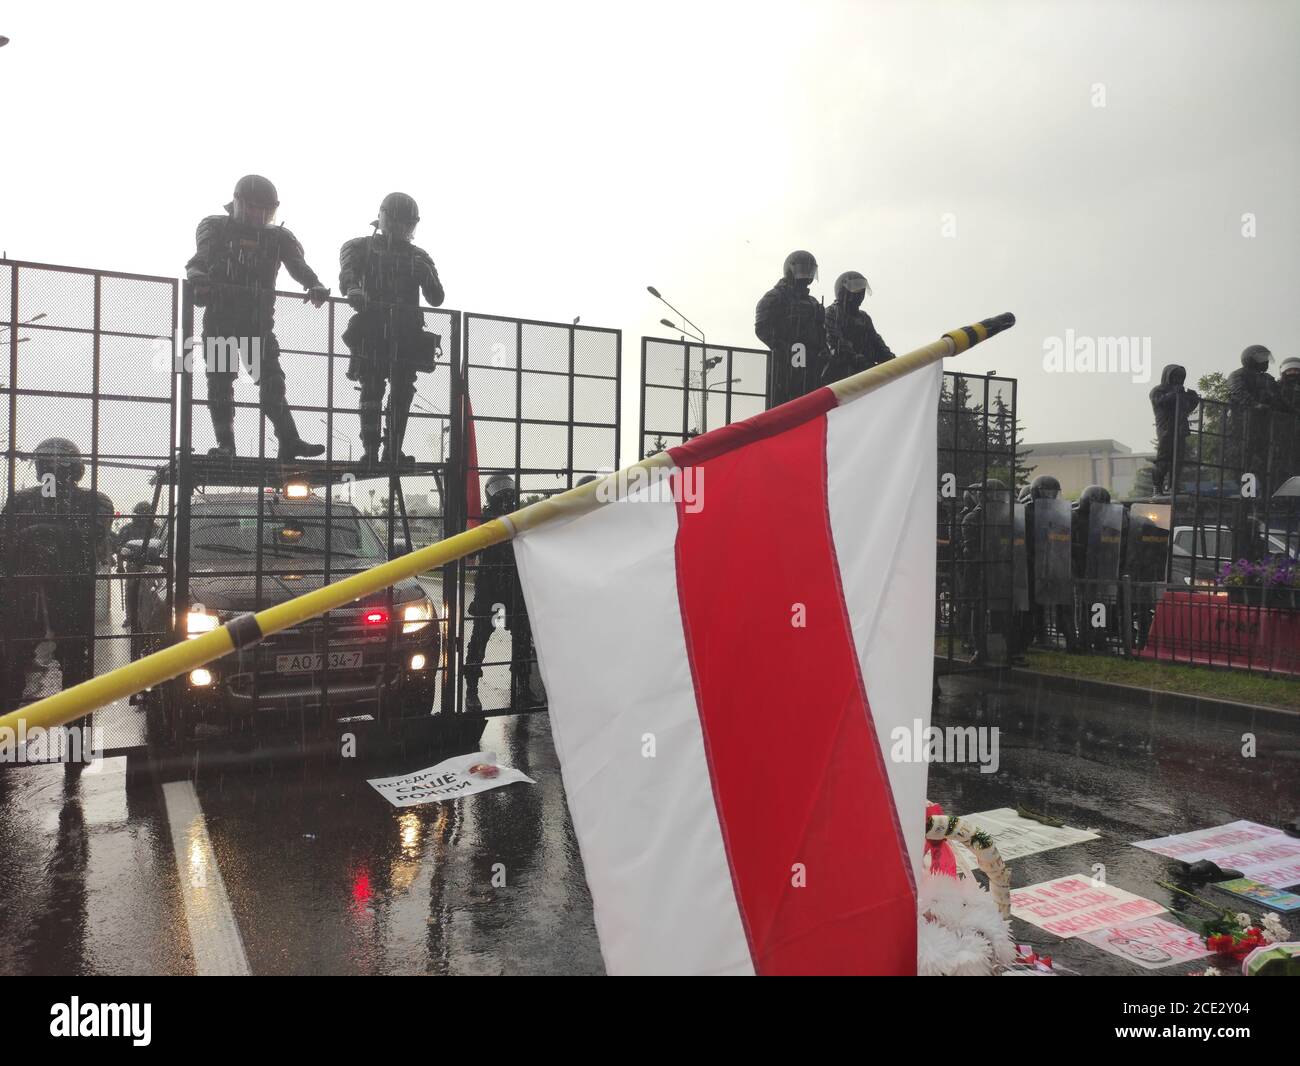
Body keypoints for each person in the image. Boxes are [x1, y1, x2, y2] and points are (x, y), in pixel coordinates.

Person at [185, 174, 330, 460]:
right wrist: (198, 276)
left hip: (258, 326)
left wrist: (313, 284)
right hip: (221, 321)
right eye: (253, 207)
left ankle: (289, 440)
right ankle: (227, 445)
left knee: (272, 382)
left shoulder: (278, 237)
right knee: (220, 383)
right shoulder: (215, 226)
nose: (258, 215)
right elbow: (199, 259)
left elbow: (299, 266)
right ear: (238, 203)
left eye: (265, 210)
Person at [0, 440, 114, 714]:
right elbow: (5, 541)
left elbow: (88, 535)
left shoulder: (94, 500)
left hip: (69, 591)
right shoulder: (23, 499)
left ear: (73, 470)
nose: (50, 472)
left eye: (57, 467)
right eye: (45, 465)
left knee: (74, 663)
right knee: (13, 663)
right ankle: (7, 731)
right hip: (26, 593)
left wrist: (36, 531)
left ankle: (76, 734)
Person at [339, 192, 445, 468]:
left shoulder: (419, 256)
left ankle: (393, 449)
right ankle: (371, 449)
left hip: (406, 335)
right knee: (371, 389)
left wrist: (424, 273)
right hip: (372, 330)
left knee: (402, 392)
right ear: (386, 218)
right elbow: (347, 277)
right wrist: (354, 289)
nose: (401, 230)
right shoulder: (359, 247)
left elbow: (436, 297)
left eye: (407, 225)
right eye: (398, 223)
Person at [463, 475, 538, 712]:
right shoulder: (485, 519)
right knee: (480, 638)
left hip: (514, 585)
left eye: (508, 489)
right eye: (500, 490)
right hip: (489, 585)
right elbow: (472, 547)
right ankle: (472, 689)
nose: (505, 495)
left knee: (523, 637)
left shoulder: (520, 517)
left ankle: (523, 688)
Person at [754, 250, 827, 408]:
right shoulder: (775, 296)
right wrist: (784, 347)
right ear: (791, 269)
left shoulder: (813, 302)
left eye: (809, 270)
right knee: (785, 406)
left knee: (810, 406)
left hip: (812, 365)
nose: (806, 275)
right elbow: (762, 328)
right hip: (785, 366)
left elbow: (822, 333)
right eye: (803, 269)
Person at [1226, 344, 1293, 489]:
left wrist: (1292, 411)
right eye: (1262, 358)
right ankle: (1247, 496)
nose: (1266, 361)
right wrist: (1255, 404)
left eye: (1266, 358)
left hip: (1264, 428)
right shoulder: (1238, 375)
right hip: (1242, 425)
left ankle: (1264, 497)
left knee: (1266, 463)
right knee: (1243, 461)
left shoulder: (1268, 378)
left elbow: (1279, 399)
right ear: (1250, 359)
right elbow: (1238, 392)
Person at [822, 270, 893, 384]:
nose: (859, 292)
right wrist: (858, 360)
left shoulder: (864, 317)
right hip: (841, 376)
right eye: (855, 287)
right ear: (843, 290)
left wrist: (892, 361)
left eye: (861, 288)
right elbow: (836, 342)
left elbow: (876, 341)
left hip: (865, 374)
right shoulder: (832, 313)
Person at [1149, 364, 1199, 495]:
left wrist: (1193, 399)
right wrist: (1174, 394)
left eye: (1180, 377)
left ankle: (1174, 486)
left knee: (1178, 460)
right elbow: (1160, 402)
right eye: (1175, 376)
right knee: (1163, 460)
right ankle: (1157, 487)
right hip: (1166, 430)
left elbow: (1187, 408)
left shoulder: (1181, 392)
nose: (1177, 379)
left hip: (1180, 429)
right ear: (1168, 376)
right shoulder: (1158, 390)